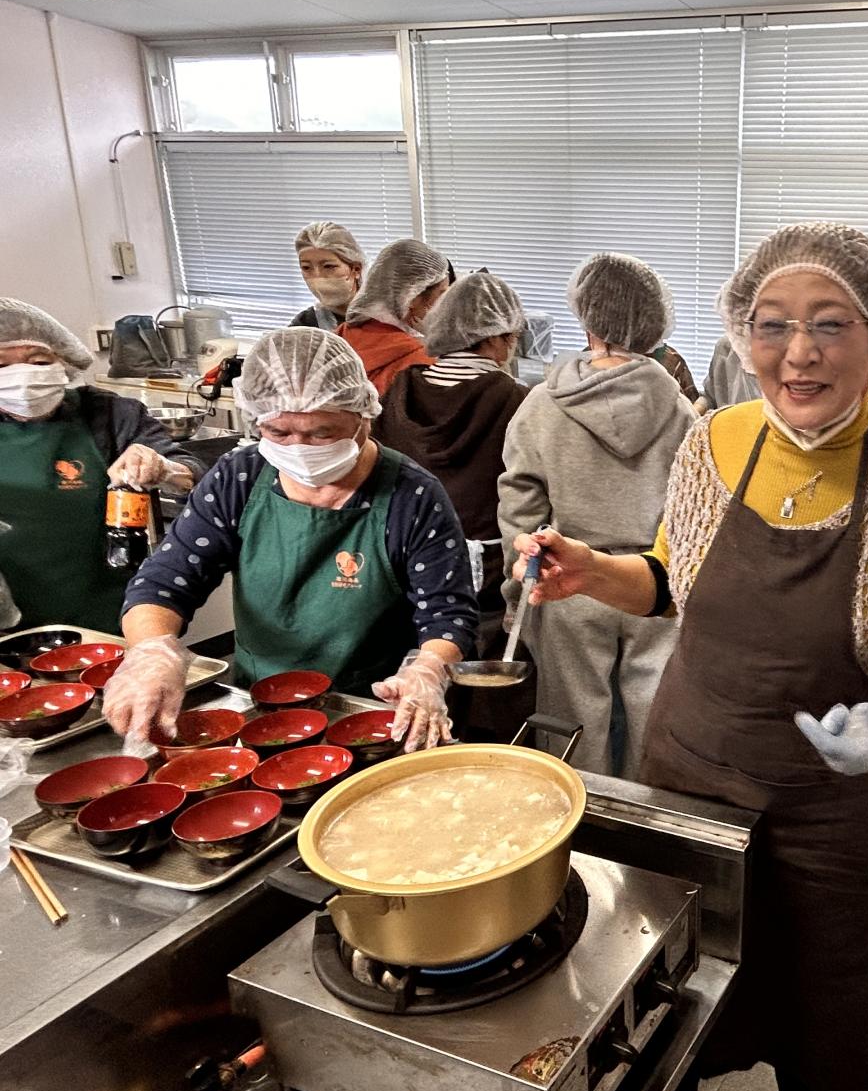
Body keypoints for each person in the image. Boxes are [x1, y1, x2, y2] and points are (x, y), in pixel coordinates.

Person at [511, 224, 868, 1091]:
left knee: (828, 990)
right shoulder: (713, 441)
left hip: (840, 805)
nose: (799, 351)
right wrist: (587, 572)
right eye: (772, 325)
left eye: (829, 325)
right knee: (671, 977)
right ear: (744, 335)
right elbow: (669, 579)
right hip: (690, 772)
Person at [104, 328, 478, 755]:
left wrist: (427, 669)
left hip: (371, 710)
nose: (300, 447)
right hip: (261, 703)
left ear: (363, 415)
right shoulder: (238, 478)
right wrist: (152, 650)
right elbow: (164, 584)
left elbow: (448, 614)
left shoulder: (412, 495)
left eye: (322, 433)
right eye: (279, 432)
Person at [497, 253, 694, 774]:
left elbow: (519, 502)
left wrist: (517, 590)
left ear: (585, 317)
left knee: (572, 734)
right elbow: (694, 508)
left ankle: (578, 841)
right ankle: (643, 842)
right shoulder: (680, 409)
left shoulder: (542, 402)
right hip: (654, 591)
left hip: (567, 584)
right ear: (654, 322)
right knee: (653, 727)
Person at [376, 270, 532, 740]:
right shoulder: (517, 401)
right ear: (500, 338)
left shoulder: (399, 391)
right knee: (477, 674)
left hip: (404, 554)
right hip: (487, 564)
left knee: (415, 664)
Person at [0, 298, 204, 634]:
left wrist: (163, 468)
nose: (23, 378)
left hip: (103, 613)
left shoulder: (106, 414)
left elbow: (192, 475)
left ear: (63, 362)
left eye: (38, 361)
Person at [338, 237, 450, 395]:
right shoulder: (420, 365)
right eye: (442, 293)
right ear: (412, 297)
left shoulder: (338, 337)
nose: (447, 302)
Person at [290, 220, 365, 332]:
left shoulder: (386, 315)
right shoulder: (305, 325)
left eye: (328, 266)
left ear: (356, 269)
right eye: (306, 268)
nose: (317, 276)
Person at [699, 334, 761, 411]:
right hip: (729, 421)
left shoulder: (775, 353)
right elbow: (710, 396)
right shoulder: (726, 346)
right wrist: (694, 413)